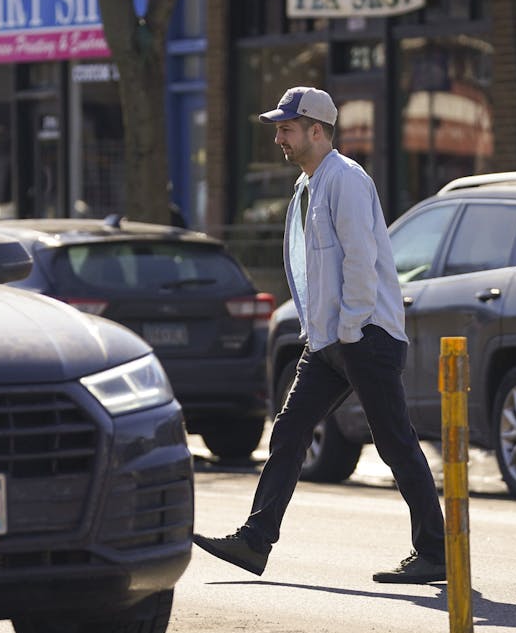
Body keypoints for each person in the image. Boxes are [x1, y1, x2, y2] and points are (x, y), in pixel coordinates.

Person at [192, 86, 447, 584]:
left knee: (394, 443)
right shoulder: (307, 185)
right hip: (329, 340)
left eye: (286, 129)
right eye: (278, 130)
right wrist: (324, 333)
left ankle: (436, 552)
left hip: (364, 335)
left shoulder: (345, 180)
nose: (279, 139)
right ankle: (255, 540)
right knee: (288, 431)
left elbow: (359, 259)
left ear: (316, 130)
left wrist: (350, 328)